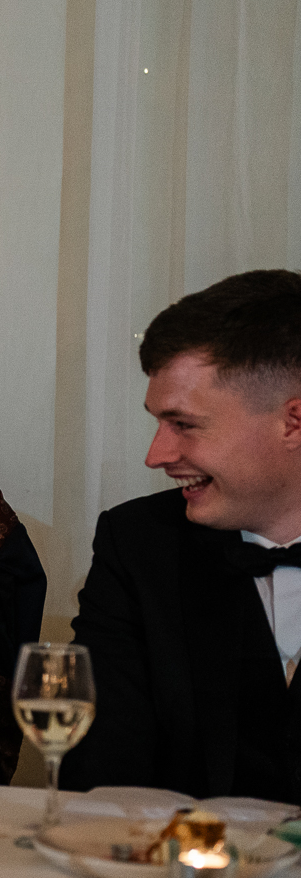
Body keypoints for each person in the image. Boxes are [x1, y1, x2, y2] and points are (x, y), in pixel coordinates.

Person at [64, 270, 301, 802]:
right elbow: (104, 776)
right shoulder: (138, 544)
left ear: (294, 422)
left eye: (185, 425)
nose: (157, 456)